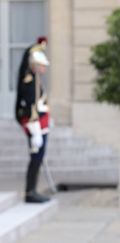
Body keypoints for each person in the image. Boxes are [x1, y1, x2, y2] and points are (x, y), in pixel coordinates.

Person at [15, 36, 51, 203]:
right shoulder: (29, 81)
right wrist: (35, 130)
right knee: (36, 157)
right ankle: (30, 191)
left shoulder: (36, 79)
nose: (43, 68)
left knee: (39, 157)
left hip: (41, 124)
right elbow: (30, 108)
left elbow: (41, 102)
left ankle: (33, 189)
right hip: (34, 125)